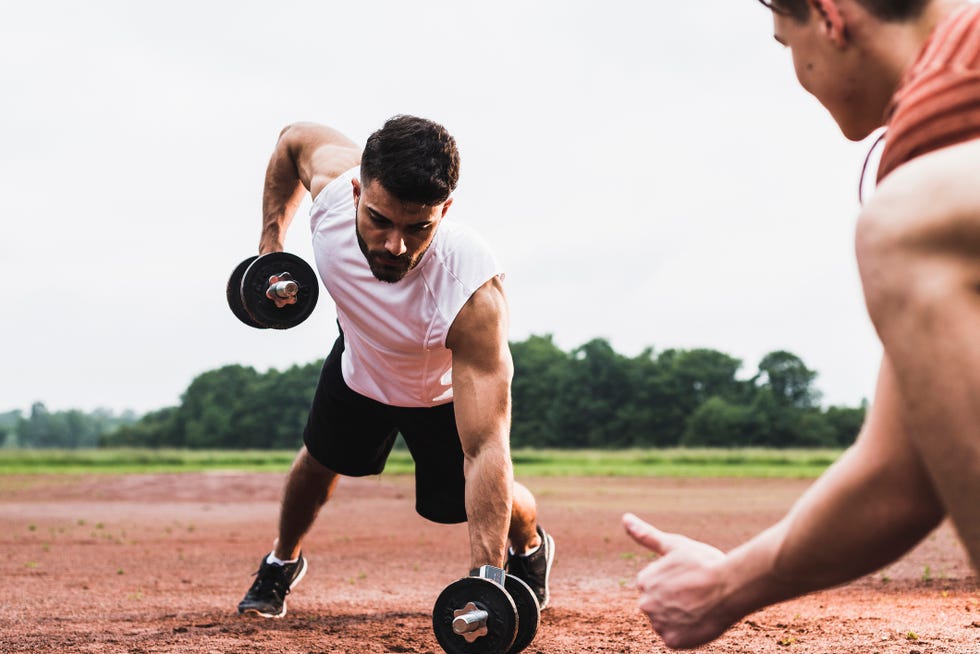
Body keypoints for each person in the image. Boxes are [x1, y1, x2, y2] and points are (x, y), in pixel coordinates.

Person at [623, 0, 980, 649]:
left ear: (830, 18)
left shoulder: (943, 125)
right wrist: (726, 583)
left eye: (785, 41)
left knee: (904, 222)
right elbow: (900, 474)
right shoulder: (950, 107)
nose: (798, 70)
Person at [237, 116, 555, 619]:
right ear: (359, 191)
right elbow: (292, 139)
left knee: (481, 499)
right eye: (380, 220)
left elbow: (485, 448)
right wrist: (271, 247)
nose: (395, 246)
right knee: (316, 462)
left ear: (445, 210)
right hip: (359, 365)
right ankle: (281, 562)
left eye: (418, 227)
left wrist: (485, 585)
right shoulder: (334, 190)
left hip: (439, 395)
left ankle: (529, 547)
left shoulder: (471, 293)